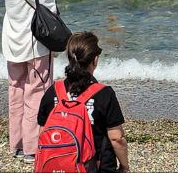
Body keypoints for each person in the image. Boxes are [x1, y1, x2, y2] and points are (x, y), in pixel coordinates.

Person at [1, 0, 67, 165]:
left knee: (16, 90)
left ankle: (17, 145)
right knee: (36, 91)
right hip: (36, 40)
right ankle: (32, 148)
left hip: (12, 39)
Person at [36, 32, 131, 173]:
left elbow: (42, 133)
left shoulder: (53, 91)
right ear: (95, 60)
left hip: (58, 165)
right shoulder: (104, 94)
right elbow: (117, 138)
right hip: (97, 167)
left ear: (70, 58)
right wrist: (125, 166)